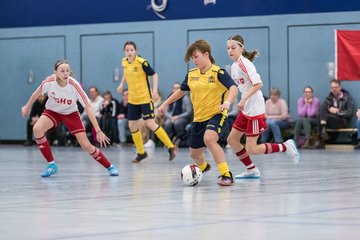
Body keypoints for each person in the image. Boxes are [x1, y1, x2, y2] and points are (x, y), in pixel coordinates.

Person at [159, 39, 238, 186]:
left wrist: (227, 102)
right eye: (192, 58)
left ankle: (226, 174)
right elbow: (181, 91)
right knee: (194, 154)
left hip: (217, 115)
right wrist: (165, 103)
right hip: (198, 119)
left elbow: (233, 88)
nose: (194, 60)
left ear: (206, 54)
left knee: (209, 139)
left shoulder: (218, 72)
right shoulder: (191, 74)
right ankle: (203, 167)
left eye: (196, 57)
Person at [21, 60, 119, 177]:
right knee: (37, 129)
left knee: (86, 145)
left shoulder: (74, 85)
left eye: (67, 70)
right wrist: (27, 106)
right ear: (55, 72)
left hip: (71, 114)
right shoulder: (49, 81)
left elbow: (87, 107)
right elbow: (36, 93)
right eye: (62, 71)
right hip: (53, 111)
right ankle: (51, 165)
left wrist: (98, 130)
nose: (66, 73)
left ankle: (109, 166)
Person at [225, 35, 299, 180]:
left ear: (241, 48)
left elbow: (258, 84)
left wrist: (244, 98)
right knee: (232, 140)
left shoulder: (245, 63)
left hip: (254, 107)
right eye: (228, 48)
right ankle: (251, 169)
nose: (230, 51)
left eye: (233, 47)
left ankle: (285, 146)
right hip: (246, 107)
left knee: (251, 148)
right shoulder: (234, 66)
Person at [117, 41, 176, 162]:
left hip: (145, 98)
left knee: (150, 123)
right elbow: (126, 73)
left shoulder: (142, 62)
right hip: (133, 100)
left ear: (135, 51)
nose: (129, 52)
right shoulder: (124, 62)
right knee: (132, 125)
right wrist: (121, 84)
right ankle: (141, 152)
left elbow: (154, 75)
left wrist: (154, 90)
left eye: (131, 50)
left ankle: (170, 147)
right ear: (124, 51)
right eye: (127, 50)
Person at [317, 79, 355, 146]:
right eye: (332, 88)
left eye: (336, 87)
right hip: (330, 119)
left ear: (340, 87)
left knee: (320, 116)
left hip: (342, 121)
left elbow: (350, 113)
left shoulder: (347, 98)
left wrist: (338, 111)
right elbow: (323, 109)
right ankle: (323, 131)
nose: (334, 89)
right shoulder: (329, 97)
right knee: (322, 108)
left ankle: (322, 138)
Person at [163, 82, 193, 147]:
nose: (176, 89)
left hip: (183, 118)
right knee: (167, 123)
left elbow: (189, 112)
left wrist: (177, 117)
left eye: (178, 88)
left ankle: (180, 140)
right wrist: (171, 117)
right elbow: (165, 111)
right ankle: (169, 141)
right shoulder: (170, 98)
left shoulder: (185, 98)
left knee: (177, 123)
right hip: (172, 117)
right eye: (174, 88)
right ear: (172, 89)